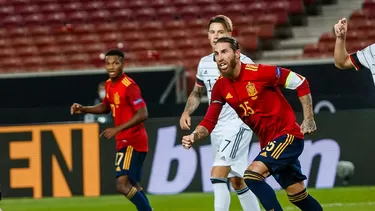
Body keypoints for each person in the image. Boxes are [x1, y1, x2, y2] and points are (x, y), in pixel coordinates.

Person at [182, 37, 323, 211]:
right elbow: (209, 121)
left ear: (237, 54)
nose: (219, 57)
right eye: (216, 54)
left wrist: (308, 118)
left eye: (224, 52)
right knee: (297, 195)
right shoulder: (220, 87)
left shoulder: (260, 73)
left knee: (251, 176)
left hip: (287, 136)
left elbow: (300, 82)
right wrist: (194, 135)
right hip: (268, 143)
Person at [179, 15, 260, 211]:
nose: (216, 36)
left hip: (238, 125)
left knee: (217, 174)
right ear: (208, 36)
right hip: (215, 129)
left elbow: (255, 92)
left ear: (229, 35)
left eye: (220, 32)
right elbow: (198, 91)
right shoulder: (205, 63)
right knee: (237, 181)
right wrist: (186, 111)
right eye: (212, 32)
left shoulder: (243, 61)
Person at [70, 49, 152, 211]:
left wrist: (117, 129)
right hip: (124, 139)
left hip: (132, 140)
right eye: (108, 63)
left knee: (122, 185)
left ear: (123, 64)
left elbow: (143, 113)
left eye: (116, 63)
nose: (111, 67)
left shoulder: (129, 86)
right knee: (133, 183)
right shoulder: (108, 84)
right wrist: (84, 109)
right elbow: (106, 107)